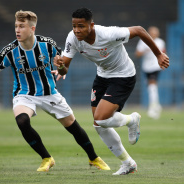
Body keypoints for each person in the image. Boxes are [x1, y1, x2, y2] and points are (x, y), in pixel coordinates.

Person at [0, 10, 110, 172]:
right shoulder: (9, 51)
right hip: (24, 94)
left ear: (32, 29)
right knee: (22, 121)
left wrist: (60, 68)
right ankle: (46, 158)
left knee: (73, 127)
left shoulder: (47, 44)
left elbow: (63, 68)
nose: (17, 30)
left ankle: (94, 158)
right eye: (16, 26)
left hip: (49, 93)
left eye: (22, 26)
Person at [54, 8, 169, 175]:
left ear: (91, 25)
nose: (77, 30)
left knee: (101, 118)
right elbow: (64, 70)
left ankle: (131, 120)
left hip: (123, 76)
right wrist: (61, 66)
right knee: (98, 124)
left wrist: (158, 54)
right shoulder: (73, 38)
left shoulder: (108, 34)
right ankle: (128, 163)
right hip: (102, 76)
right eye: (74, 26)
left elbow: (139, 30)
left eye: (81, 26)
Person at [135, 26, 166, 119]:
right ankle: (156, 105)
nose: (154, 34)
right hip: (146, 67)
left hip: (156, 67)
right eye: (152, 32)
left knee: (152, 84)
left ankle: (153, 106)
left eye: (156, 32)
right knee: (150, 87)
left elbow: (164, 53)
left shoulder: (161, 42)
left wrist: (163, 63)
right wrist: (146, 50)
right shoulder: (143, 41)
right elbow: (137, 54)